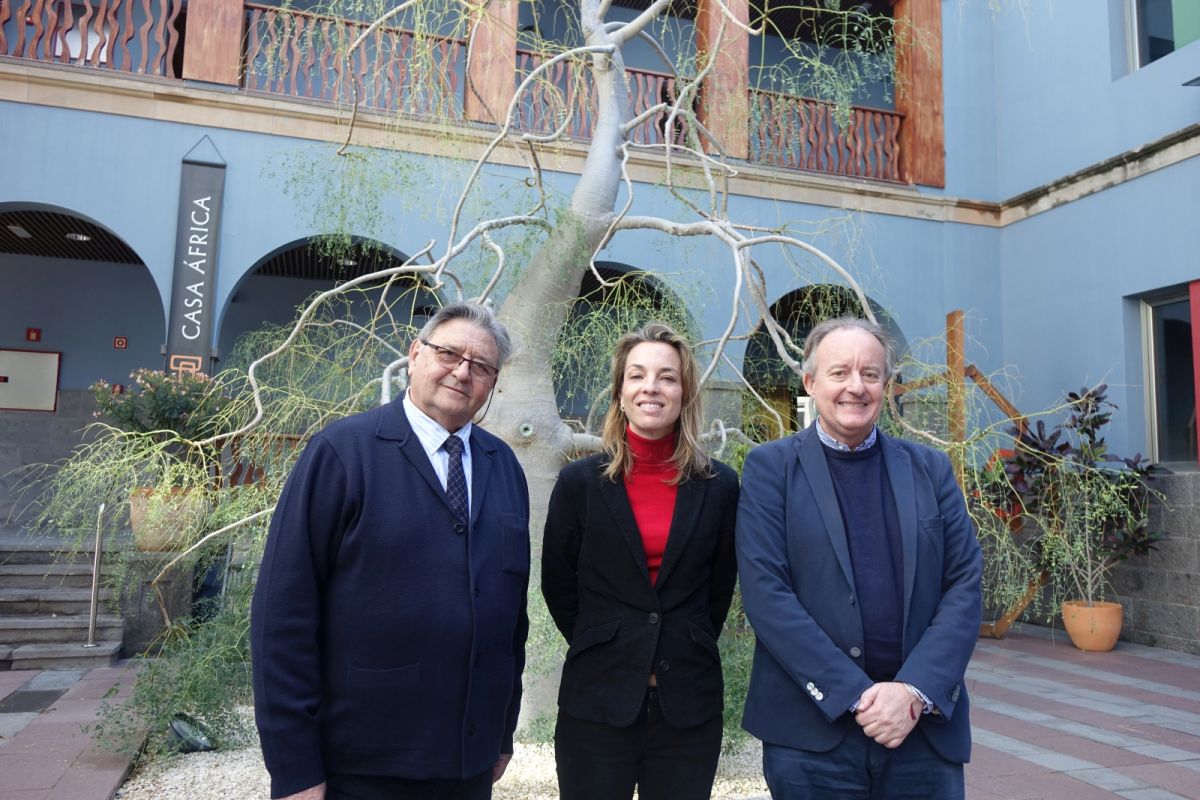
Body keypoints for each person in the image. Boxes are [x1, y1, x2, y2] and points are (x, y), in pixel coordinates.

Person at [251, 302, 530, 800]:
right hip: (364, 763)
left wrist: (502, 729)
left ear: (493, 382)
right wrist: (295, 768)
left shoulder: (503, 465)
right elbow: (283, 615)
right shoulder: (342, 452)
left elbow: (511, 616)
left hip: (468, 764)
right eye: (449, 353)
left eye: (481, 365)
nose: (462, 372)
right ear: (415, 354)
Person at [736, 317, 982, 799]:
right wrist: (856, 695)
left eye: (870, 373)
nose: (856, 386)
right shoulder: (770, 469)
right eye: (839, 372)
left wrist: (913, 692)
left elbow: (964, 585)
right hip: (811, 737)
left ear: (886, 385)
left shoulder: (930, 469)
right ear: (810, 382)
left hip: (920, 731)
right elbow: (767, 594)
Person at [541, 322, 740, 800]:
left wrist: (680, 642)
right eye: (637, 375)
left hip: (687, 707)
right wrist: (608, 642)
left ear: (684, 392)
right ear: (620, 391)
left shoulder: (720, 486)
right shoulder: (579, 483)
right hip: (596, 700)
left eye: (667, 377)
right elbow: (558, 584)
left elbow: (718, 589)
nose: (651, 387)